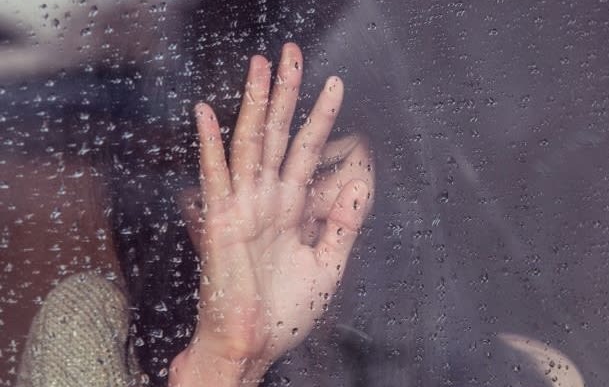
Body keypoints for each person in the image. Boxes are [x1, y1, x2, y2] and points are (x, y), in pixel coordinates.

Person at [17, 42, 375, 386]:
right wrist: (225, 363)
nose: (288, 207)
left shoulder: (399, 338)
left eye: (325, 167)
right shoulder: (94, 329)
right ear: (187, 211)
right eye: (216, 198)